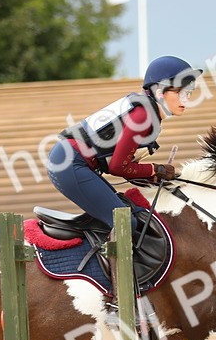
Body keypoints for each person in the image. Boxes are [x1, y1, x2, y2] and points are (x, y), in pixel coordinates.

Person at [46, 55, 203, 241]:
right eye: (181, 92)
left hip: (71, 161)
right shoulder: (143, 116)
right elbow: (118, 167)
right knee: (125, 222)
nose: (186, 99)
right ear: (160, 91)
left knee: (132, 212)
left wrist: (154, 175)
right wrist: (155, 169)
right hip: (70, 163)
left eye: (189, 92)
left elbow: (118, 164)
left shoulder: (146, 112)